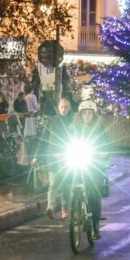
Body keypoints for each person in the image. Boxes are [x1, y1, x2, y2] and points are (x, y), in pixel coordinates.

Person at [69, 99, 110, 239]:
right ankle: (74, 210)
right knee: (68, 183)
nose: (87, 116)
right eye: (84, 113)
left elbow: (106, 143)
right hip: (78, 162)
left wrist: (104, 152)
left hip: (93, 164)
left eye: (89, 113)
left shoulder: (99, 129)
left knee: (94, 193)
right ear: (80, 114)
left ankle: (95, 225)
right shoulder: (74, 128)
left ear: (94, 115)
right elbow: (66, 141)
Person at [38, 96, 74, 218]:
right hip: (53, 157)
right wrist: (37, 156)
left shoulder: (73, 122)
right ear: (58, 108)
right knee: (53, 184)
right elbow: (43, 139)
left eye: (66, 107)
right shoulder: (51, 121)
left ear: (69, 108)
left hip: (69, 157)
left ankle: (64, 209)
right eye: (62, 107)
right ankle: (51, 207)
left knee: (66, 185)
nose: (63, 109)